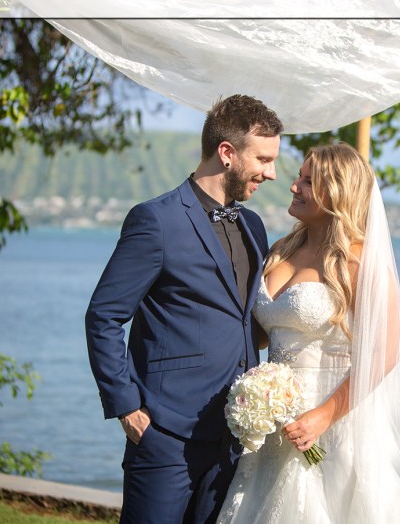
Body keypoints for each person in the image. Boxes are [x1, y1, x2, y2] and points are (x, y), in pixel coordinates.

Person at [85, 94, 283, 524]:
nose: (271, 172)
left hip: (234, 435)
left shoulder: (253, 225)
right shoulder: (155, 220)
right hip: (164, 436)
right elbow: (104, 315)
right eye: (264, 159)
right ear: (227, 154)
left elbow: (244, 318)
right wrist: (126, 406)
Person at [219, 143, 400, 523]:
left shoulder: (359, 262)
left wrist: (323, 416)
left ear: (336, 191)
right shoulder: (281, 251)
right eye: (298, 178)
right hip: (273, 420)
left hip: (332, 423)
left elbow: (381, 354)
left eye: (307, 181)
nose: (293, 187)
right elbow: (264, 332)